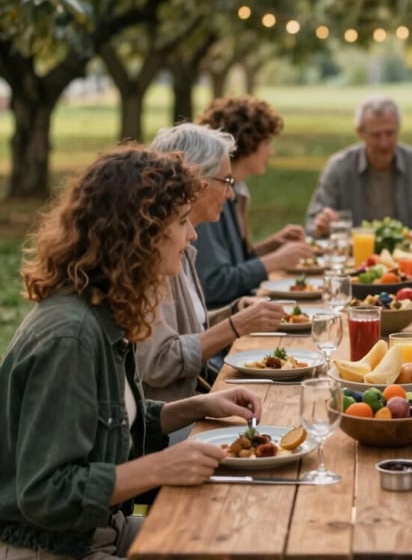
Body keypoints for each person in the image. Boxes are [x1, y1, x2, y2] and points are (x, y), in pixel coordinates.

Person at [0, 146, 263, 560]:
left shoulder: (100, 311)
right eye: (180, 222)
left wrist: (194, 406)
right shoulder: (70, 337)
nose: (192, 235)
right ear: (137, 234)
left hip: (102, 530)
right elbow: (45, 493)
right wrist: (162, 467)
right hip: (54, 548)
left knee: (235, 534)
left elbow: (108, 419)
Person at [137, 123, 286, 402]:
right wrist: (235, 326)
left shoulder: (184, 243)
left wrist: (234, 312)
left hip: (197, 400)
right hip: (172, 422)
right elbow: (157, 364)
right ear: (194, 179)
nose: (231, 194)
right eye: (227, 182)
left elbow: (192, 330)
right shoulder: (155, 256)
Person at [193, 96, 315, 308]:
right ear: (247, 142)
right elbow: (214, 284)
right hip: (223, 318)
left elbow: (233, 264)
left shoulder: (235, 190)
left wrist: (270, 246)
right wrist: (275, 261)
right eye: (267, 142)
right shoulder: (209, 198)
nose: (271, 151)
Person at [305, 95, 412, 237]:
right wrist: (322, 225)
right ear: (360, 133)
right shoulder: (339, 168)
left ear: (399, 129)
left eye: (390, 133)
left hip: (408, 256)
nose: (384, 143)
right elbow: (311, 225)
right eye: (376, 135)